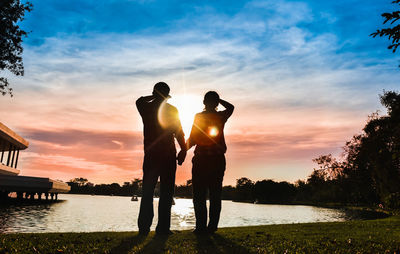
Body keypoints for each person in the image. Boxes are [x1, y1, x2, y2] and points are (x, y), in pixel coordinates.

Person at [136, 82, 187, 235]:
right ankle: (162, 228)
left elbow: (139, 100)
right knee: (164, 193)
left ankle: (147, 228)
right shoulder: (171, 110)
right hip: (165, 155)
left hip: (156, 156)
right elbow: (179, 133)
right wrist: (183, 149)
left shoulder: (147, 108)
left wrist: (183, 149)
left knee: (150, 192)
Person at [186, 91, 234, 234]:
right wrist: (183, 150)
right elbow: (193, 137)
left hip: (211, 160)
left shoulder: (218, 116)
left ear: (204, 102)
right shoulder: (209, 116)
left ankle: (207, 227)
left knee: (207, 195)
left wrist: (184, 150)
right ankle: (206, 227)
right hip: (206, 159)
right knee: (210, 195)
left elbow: (192, 138)